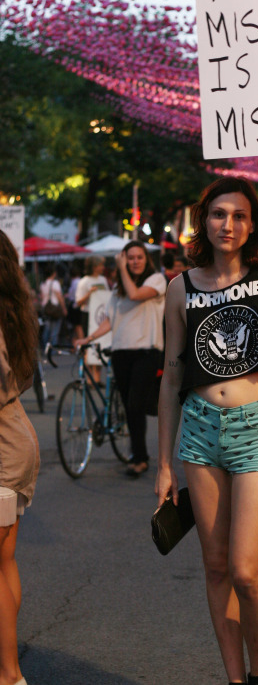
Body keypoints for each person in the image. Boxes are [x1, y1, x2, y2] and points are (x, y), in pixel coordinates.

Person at [156, 176, 258, 685]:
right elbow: (173, 374)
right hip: (198, 430)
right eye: (219, 214)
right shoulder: (181, 287)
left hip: (255, 423)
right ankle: (235, 679)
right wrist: (164, 465)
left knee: (245, 570)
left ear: (253, 224)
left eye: (239, 215)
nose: (228, 224)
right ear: (205, 220)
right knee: (216, 569)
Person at [78, 241, 166, 477]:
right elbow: (110, 319)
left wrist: (120, 268)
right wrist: (89, 338)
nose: (135, 261)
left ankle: (140, 458)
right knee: (129, 407)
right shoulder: (118, 288)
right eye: (130, 258)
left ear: (146, 259)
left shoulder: (155, 280)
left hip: (146, 352)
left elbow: (136, 295)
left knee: (136, 404)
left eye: (139, 257)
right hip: (121, 352)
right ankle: (137, 453)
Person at [0, 229, 40, 685]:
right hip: (14, 437)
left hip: (5, 450)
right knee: (4, 560)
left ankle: (9, 674)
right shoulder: (12, 307)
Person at [75, 256, 109, 382]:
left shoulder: (103, 279)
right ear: (94, 267)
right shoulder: (84, 281)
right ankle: (90, 378)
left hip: (100, 315)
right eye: (101, 265)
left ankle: (97, 377)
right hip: (88, 315)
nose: (103, 268)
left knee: (100, 344)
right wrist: (89, 294)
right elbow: (78, 302)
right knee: (89, 346)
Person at [39, 263, 67, 348]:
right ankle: (52, 349)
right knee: (55, 330)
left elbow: (42, 297)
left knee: (47, 328)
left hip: (45, 308)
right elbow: (60, 297)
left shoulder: (43, 283)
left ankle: (45, 347)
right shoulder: (55, 283)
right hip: (54, 309)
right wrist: (64, 308)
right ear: (54, 273)